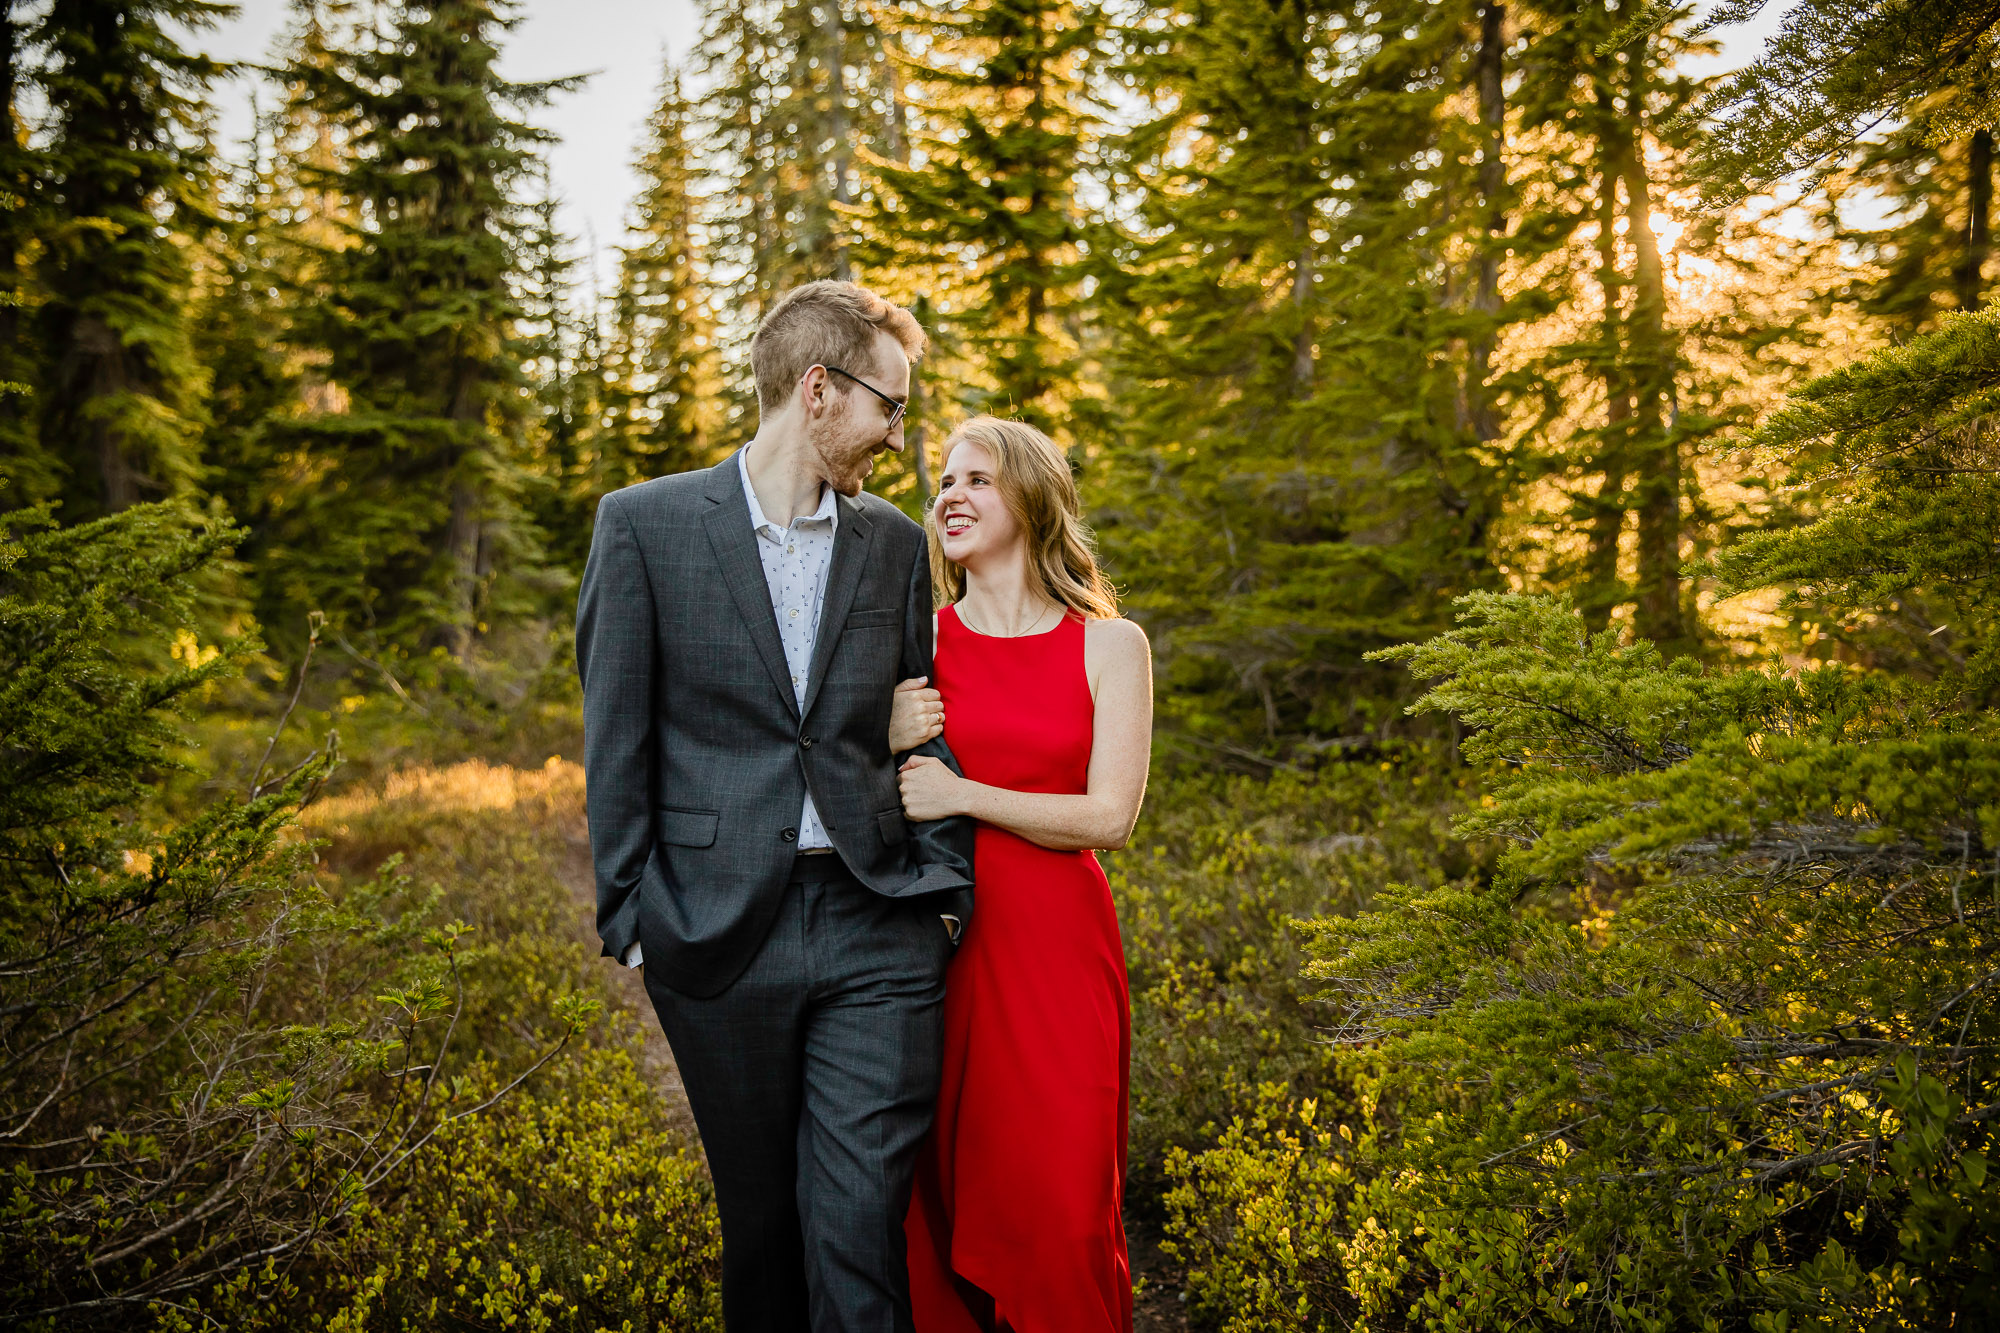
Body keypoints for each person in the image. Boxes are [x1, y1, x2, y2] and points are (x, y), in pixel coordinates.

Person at [575, 280, 976, 1332]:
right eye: (889, 405)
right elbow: (615, 736)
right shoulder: (642, 527)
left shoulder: (889, 544)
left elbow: (918, 713)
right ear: (817, 390)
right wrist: (632, 924)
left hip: (875, 925)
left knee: (855, 1231)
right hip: (714, 933)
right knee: (760, 1233)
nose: (899, 435)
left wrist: (941, 890)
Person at [888, 416, 1153, 1333]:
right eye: (945, 482)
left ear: (1033, 500)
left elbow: (1109, 816)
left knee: (1064, 1210)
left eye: (979, 480)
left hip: (1059, 957)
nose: (951, 495)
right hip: (941, 961)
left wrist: (964, 794)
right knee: (947, 1199)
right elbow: (869, 793)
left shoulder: (1110, 646)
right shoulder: (916, 644)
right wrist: (881, 742)